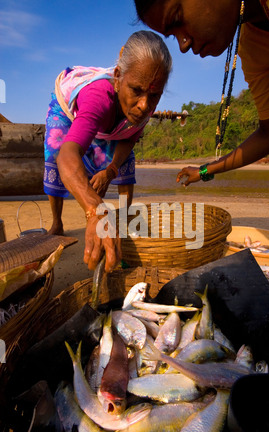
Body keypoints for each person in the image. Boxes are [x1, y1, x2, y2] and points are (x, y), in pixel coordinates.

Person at [133, 0, 269, 186]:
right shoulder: (256, 52)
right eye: (173, 36)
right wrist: (205, 170)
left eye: (177, 18)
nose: (183, 45)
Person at [43, 30, 172, 271]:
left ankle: (121, 223)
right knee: (55, 152)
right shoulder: (98, 98)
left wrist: (111, 170)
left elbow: (128, 138)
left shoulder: (144, 105)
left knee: (125, 163)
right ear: (117, 77)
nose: (144, 105)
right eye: (136, 90)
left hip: (111, 122)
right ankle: (57, 223)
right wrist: (95, 209)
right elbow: (68, 154)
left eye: (154, 95)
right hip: (68, 107)